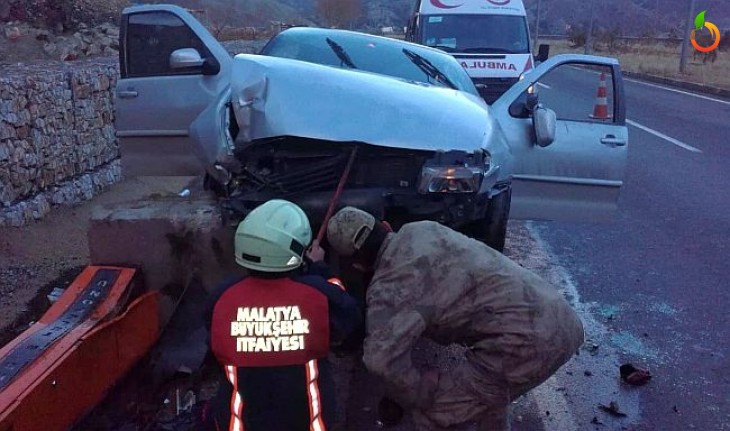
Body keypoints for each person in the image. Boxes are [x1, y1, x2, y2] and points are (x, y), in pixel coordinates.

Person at [326, 207, 585, 431]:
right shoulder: (423, 229)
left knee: (436, 413)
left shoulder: (388, 292)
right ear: (385, 226)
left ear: (358, 266)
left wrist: (421, 391)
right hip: (559, 314)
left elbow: (380, 360)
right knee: (483, 391)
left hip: (528, 345)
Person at [209, 199, 361, 431]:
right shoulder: (318, 294)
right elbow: (348, 317)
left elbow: (213, 344)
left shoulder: (222, 296)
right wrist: (319, 269)